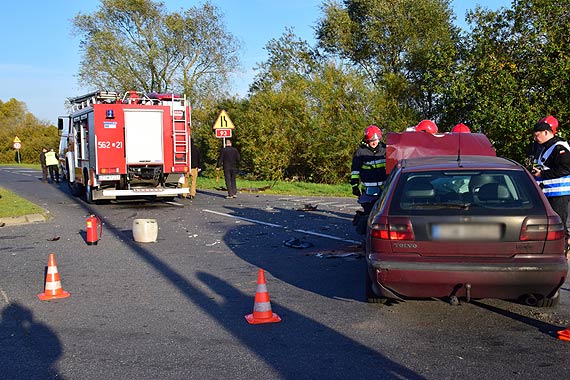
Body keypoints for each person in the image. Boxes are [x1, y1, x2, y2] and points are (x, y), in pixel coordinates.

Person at [531, 117, 570, 251]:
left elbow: (566, 168)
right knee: (550, 225)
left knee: (559, 225)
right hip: (548, 192)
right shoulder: (546, 147)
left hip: (559, 193)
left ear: (546, 132)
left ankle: (562, 251)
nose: (536, 138)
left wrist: (542, 174)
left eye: (537, 135)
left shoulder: (559, 147)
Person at [350, 125, 387, 234]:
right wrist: (354, 186)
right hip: (368, 188)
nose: (374, 142)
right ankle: (368, 233)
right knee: (369, 211)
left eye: (375, 139)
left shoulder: (386, 149)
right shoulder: (360, 152)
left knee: (383, 210)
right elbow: (355, 171)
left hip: (384, 186)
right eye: (371, 140)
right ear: (367, 140)